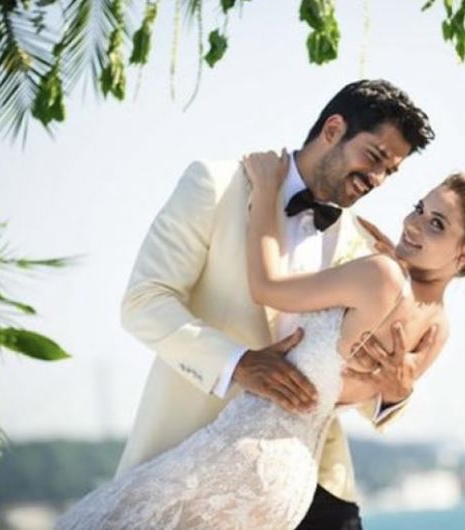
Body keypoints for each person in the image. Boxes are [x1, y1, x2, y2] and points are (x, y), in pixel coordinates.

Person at [54, 149, 465, 529]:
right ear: (334, 131)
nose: (412, 223)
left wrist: (266, 193)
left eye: (436, 224)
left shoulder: (379, 269)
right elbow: (354, 388)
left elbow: (267, 288)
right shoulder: (437, 325)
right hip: (287, 484)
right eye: (419, 208)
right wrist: (393, 392)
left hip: (250, 456)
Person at [112, 80, 437, 529]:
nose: (377, 179)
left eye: (390, 172)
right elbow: (144, 302)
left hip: (313, 482)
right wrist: (238, 363)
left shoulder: (365, 247)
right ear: (333, 129)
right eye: (374, 157)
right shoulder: (216, 186)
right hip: (196, 472)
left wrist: (393, 394)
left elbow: (353, 374)